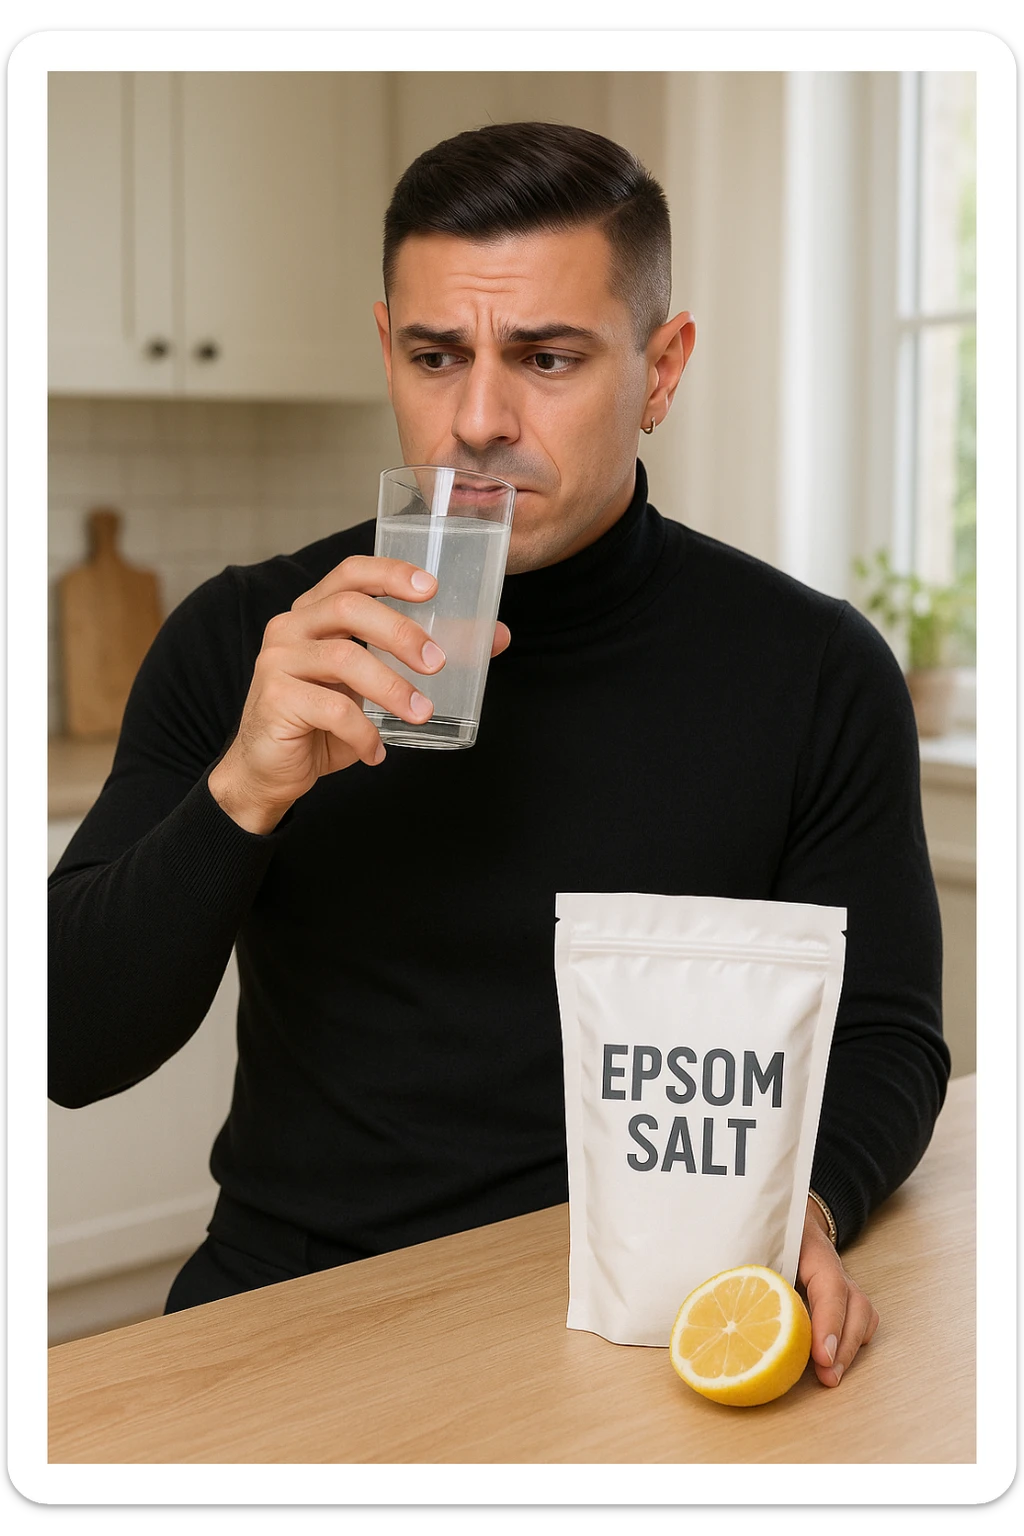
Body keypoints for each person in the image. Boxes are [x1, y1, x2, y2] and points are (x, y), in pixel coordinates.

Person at [49, 121, 949, 1389]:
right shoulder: (247, 640)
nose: (477, 418)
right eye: (435, 355)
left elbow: (890, 1039)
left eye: (546, 357)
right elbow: (66, 1052)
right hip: (293, 1302)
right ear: (388, 353)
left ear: (662, 368)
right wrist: (245, 789)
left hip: (640, 1309)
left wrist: (806, 1208)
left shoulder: (813, 672)